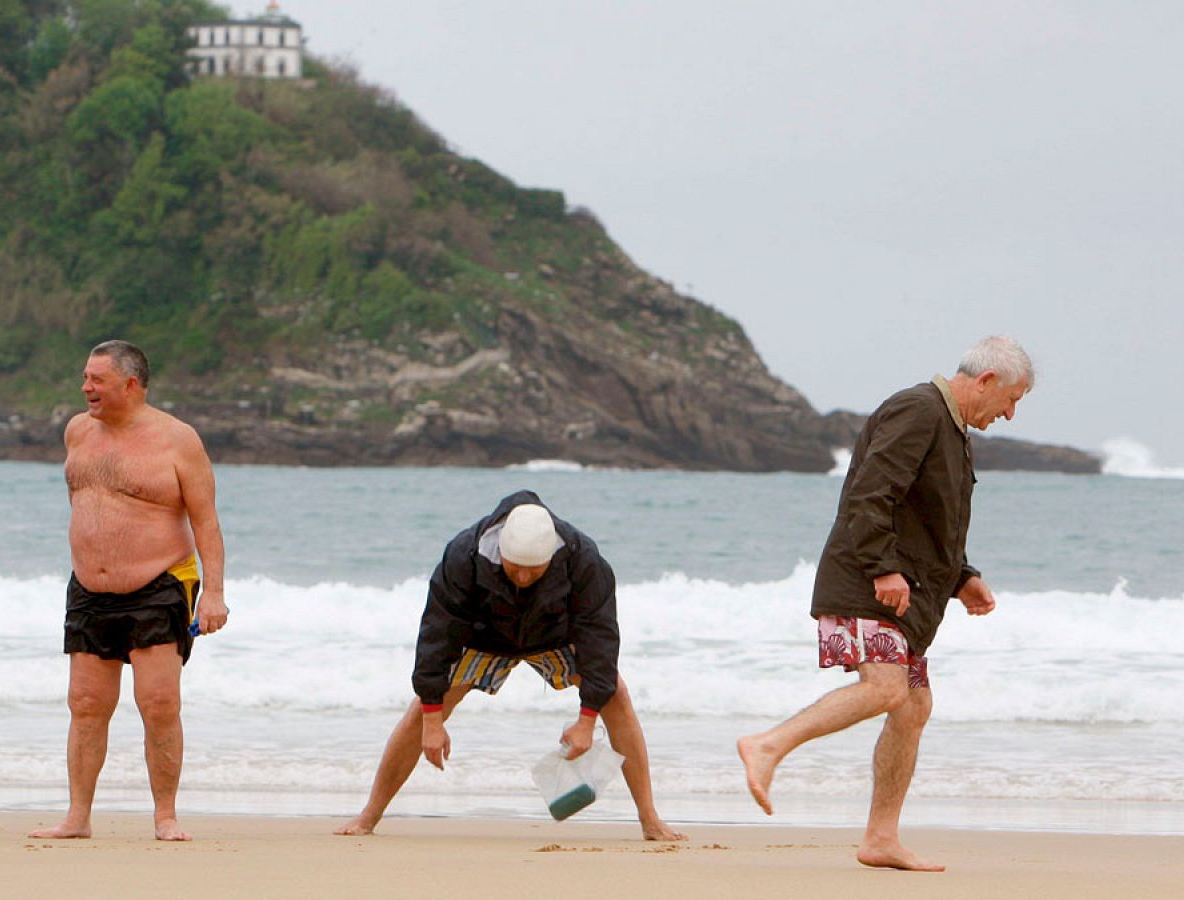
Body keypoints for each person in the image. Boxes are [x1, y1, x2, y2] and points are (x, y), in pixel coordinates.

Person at [736, 335, 1034, 871]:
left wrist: (963, 576)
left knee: (913, 706)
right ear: (986, 380)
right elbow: (870, 493)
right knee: (886, 687)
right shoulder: (918, 410)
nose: (1010, 413)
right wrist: (882, 567)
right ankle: (768, 744)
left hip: (904, 596)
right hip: (865, 584)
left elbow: (931, 518)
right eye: (1012, 399)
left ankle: (880, 837)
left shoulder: (954, 429)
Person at [335, 490, 687, 841]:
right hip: (484, 636)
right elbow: (437, 634)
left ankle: (650, 819)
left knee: (617, 694)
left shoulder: (585, 561)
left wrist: (586, 720)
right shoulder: (463, 556)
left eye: (534, 570)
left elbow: (600, 640)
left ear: (551, 555)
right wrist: (432, 719)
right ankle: (369, 816)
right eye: (514, 567)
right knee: (423, 709)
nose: (522, 577)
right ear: (501, 550)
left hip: (554, 635)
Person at [29, 340, 228, 842]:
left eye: (96, 380)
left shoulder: (177, 441)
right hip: (89, 588)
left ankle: (165, 815)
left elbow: (206, 522)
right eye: (85, 378)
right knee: (85, 703)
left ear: (130, 384)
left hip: (158, 584)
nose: (86, 388)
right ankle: (77, 816)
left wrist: (214, 594)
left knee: (158, 703)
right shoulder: (77, 431)